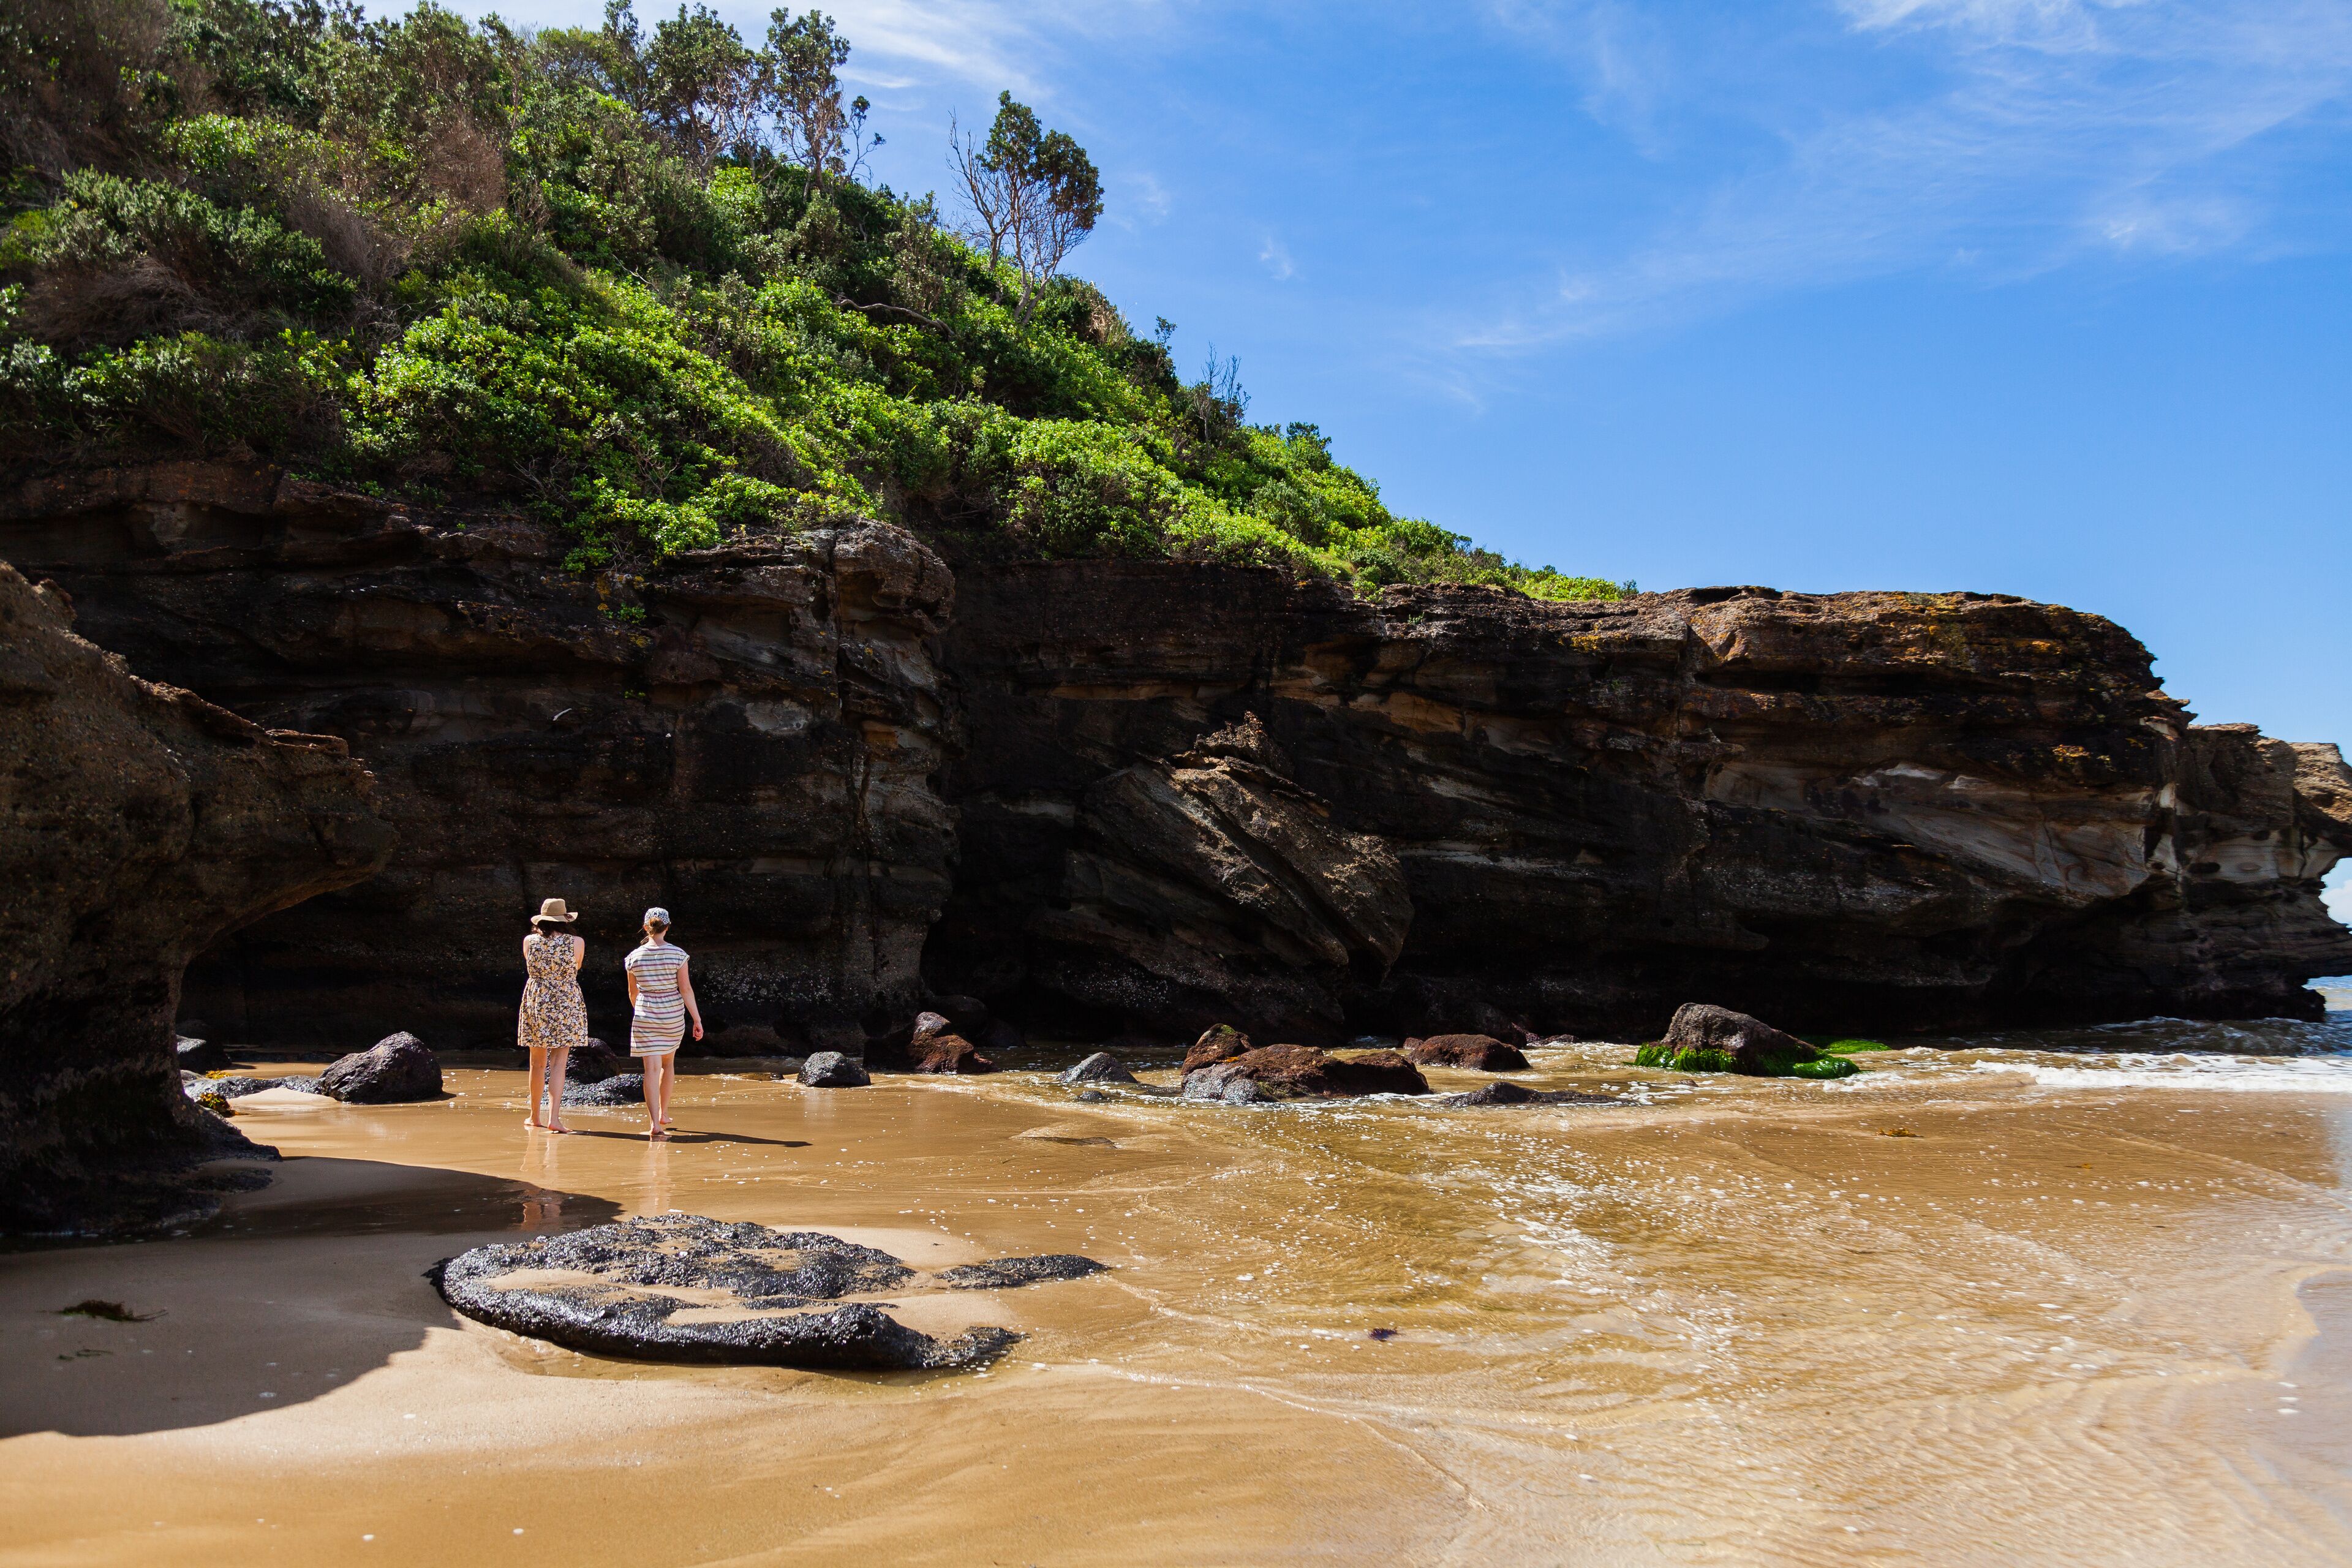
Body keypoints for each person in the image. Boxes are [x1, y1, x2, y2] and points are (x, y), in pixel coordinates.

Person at [624, 906, 701, 1138]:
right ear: (667, 927)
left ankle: (654, 1125)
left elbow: (632, 993)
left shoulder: (633, 957)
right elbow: (686, 990)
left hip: (645, 1013)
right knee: (668, 1065)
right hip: (672, 1015)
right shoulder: (678, 954)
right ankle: (663, 1114)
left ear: (646, 927)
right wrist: (697, 1019)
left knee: (651, 1070)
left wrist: (644, 1012)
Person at [518, 897, 587, 1133]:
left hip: (537, 1000)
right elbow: (576, 967)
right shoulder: (577, 942)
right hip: (565, 1000)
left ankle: (534, 1116)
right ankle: (554, 1118)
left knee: (536, 1063)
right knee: (559, 1063)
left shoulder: (529, 941)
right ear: (564, 919)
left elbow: (531, 964)